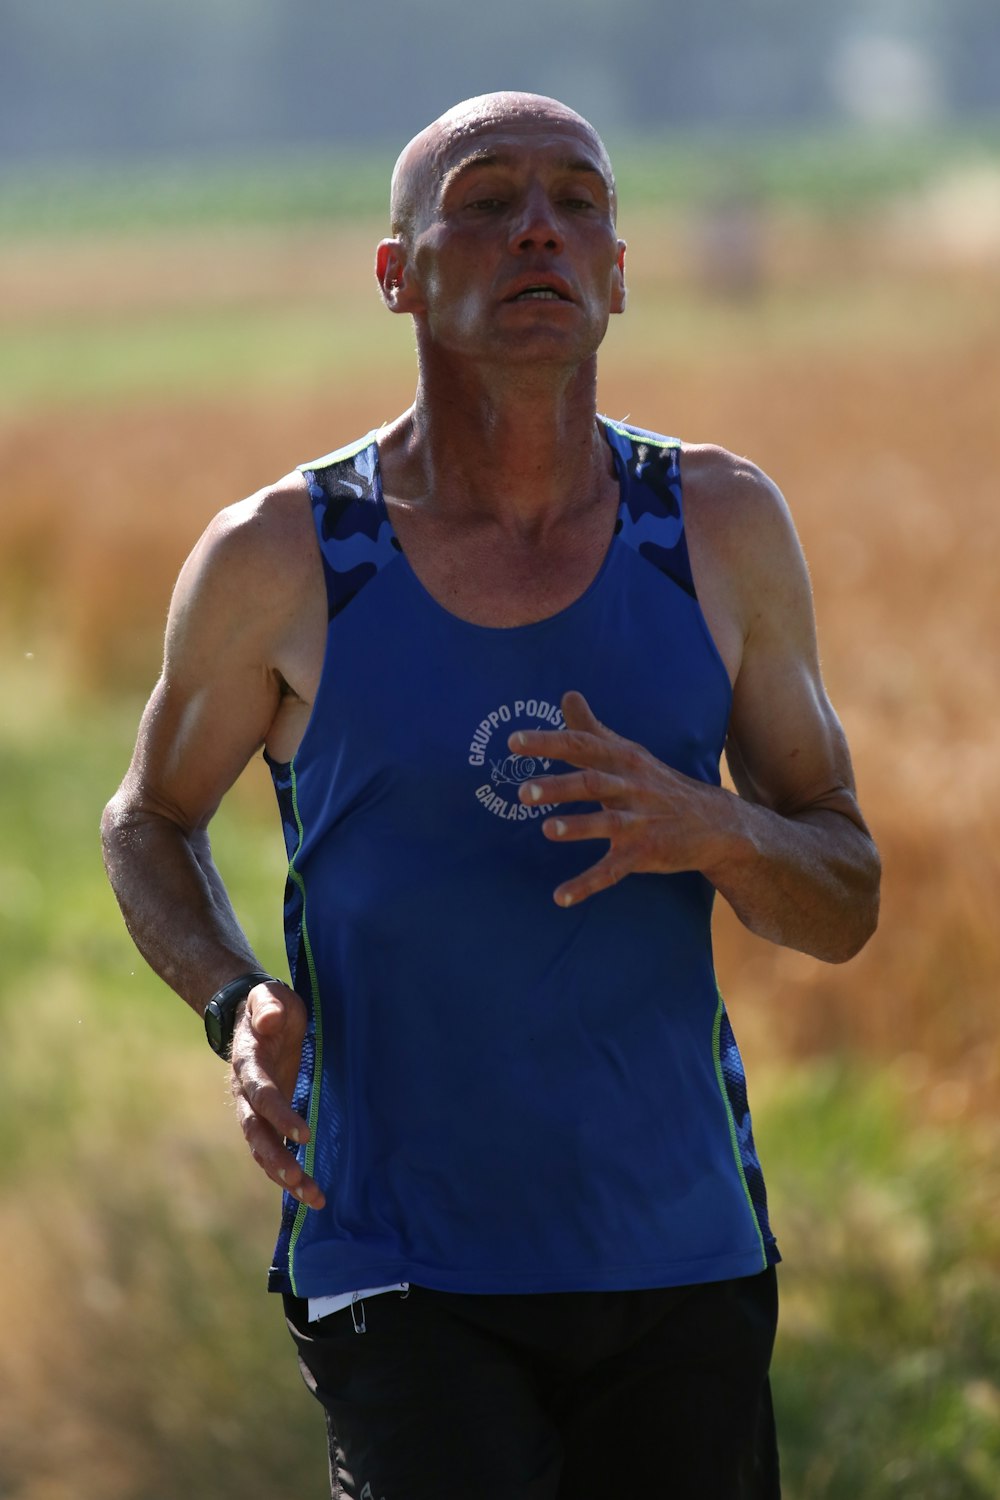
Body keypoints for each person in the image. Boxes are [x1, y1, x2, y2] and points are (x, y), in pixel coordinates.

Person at [101, 91, 880, 1499]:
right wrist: (238, 1001)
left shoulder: (718, 528)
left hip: (685, 1257)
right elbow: (145, 819)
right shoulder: (286, 554)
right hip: (397, 1261)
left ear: (620, 275)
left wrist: (717, 830)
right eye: (486, 198)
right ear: (395, 271)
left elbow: (844, 897)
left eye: (578, 201)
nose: (539, 227)